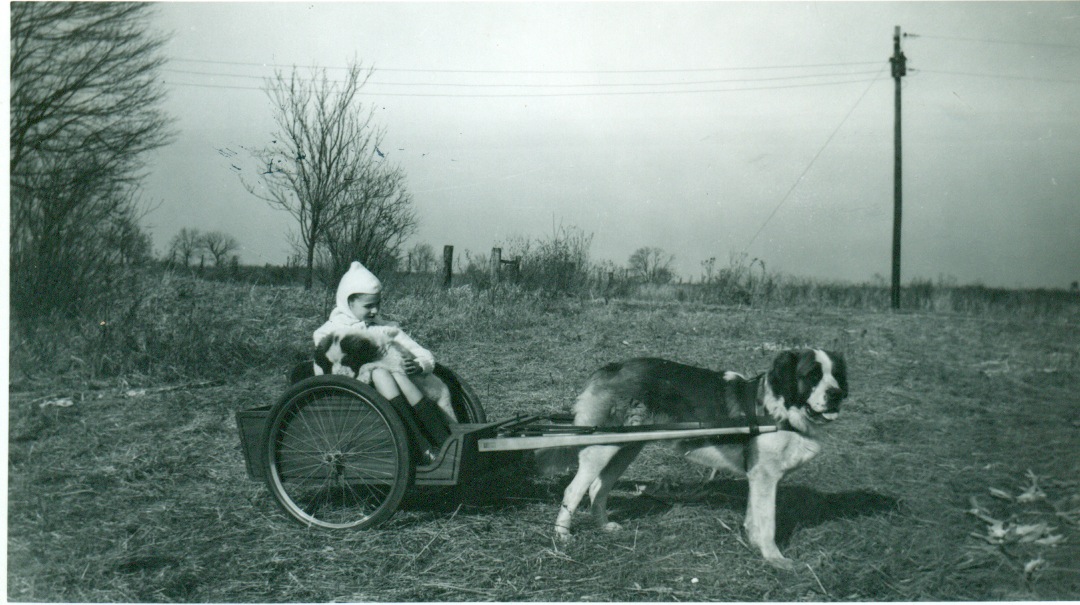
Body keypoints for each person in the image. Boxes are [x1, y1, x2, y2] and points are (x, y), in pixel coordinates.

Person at [314, 261, 456, 424]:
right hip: (358, 394)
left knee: (438, 390)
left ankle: (450, 433)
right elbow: (327, 366)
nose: (375, 311)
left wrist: (419, 364)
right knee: (383, 374)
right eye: (368, 306)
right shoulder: (330, 332)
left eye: (377, 304)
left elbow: (422, 353)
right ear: (349, 303)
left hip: (399, 390)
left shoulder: (384, 328)